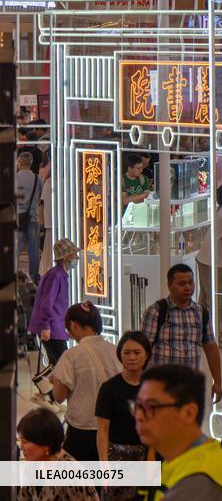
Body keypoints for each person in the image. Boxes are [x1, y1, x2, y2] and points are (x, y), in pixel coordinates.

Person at [135, 364, 222, 499]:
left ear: (188, 413)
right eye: (138, 406)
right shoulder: (180, 459)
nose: (139, 416)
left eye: (151, 407)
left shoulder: (200, 479)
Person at [45, 301, 120, 463]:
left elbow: (59, 396)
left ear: (73, 325)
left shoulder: (71, 356)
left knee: (80, 483)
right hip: (113, 428)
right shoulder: (116, 350)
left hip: (82, 430)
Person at [140, 263, 222, 401]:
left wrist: (218, 382)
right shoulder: (156, 311)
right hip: (160, 385)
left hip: (188, 386)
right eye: (182, 283)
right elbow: (143, 348)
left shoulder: (201, 312)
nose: (188, 287)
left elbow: (211, 348)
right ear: (169, 285)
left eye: (191, 283)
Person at [96, 331, 151, 500]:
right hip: (116, 457)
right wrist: (104, 464)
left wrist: (151, 461)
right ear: (120, 355)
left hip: (145, 455)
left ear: (147, 354)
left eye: (137, 352)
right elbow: (103, 429)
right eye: (126, 353)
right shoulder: (109, 388)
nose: (132, 357)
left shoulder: (154, 389)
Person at [16, 408, 100, 501]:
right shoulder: (32, 467)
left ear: (45, 444)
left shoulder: (72, 473)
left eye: (25, 441)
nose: (20, 447)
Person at [28, 238, 79, 368]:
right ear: (66, 257)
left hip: (56, 327)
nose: (76, 258)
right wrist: (46, 326)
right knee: (63, 366)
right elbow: (46, 302)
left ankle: (55, 388)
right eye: (74, 254)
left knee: (59, 365)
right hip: (51, 328)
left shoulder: (59, 274)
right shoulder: (55, 275)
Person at [15, 151, 42, 282]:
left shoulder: (13, 178)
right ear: (31, 163)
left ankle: (12, 274)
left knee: (15, 249)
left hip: (16, 218)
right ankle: (34, 276)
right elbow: (38, 198)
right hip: (32, 217)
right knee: (33, 250)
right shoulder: (37, 179)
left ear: (19, 163)